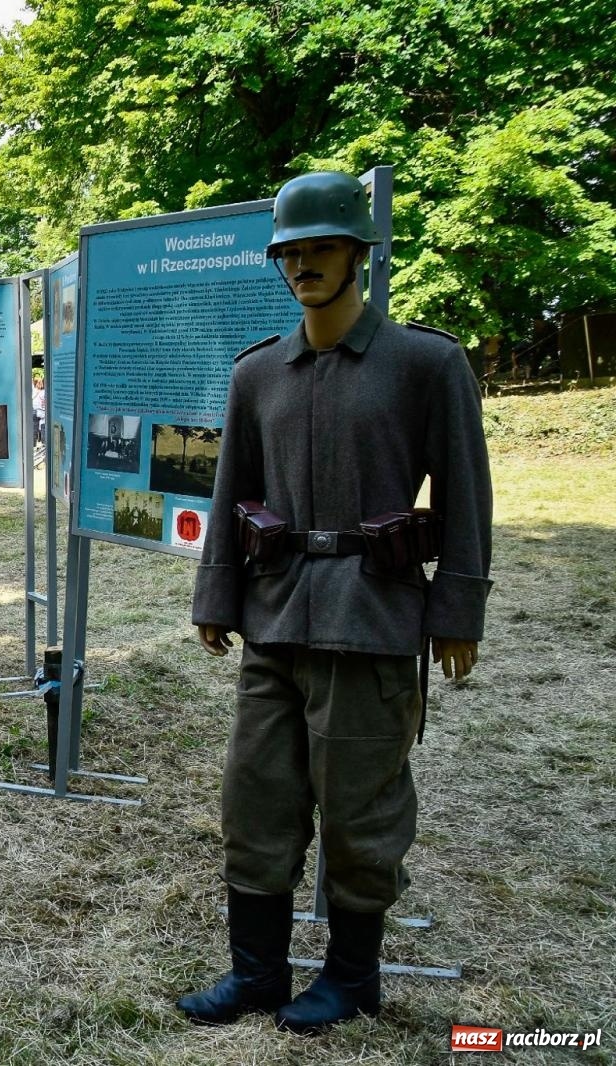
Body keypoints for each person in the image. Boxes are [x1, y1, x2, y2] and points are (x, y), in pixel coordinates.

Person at [181, 171, 493, 1033]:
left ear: (359, 253)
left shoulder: (426, 364)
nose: (305, 265)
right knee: (255, 803)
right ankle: (258, 974)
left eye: (323, 248)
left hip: (372, 619)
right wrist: (218, 593)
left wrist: (456, 612)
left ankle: (353, 980)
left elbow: (466, 494)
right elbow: (231, 491)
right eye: (291, 252)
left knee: (361, 812)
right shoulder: (258, 373)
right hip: (275, 618)